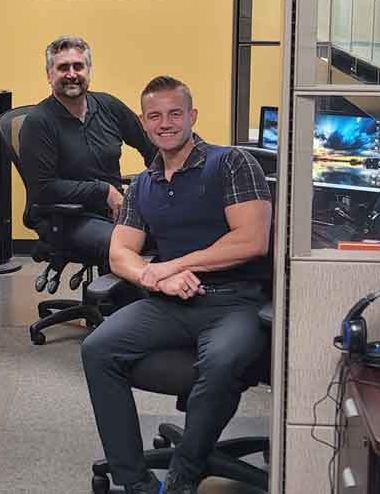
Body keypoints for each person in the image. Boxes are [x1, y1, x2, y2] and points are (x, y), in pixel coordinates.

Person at [81, 76, 273, 494]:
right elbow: (120, 253)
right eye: (155, 116)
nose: (165, 123)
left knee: (220, 363)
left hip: (234, 302)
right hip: (170, 303)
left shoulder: (232, 163)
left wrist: (172, 266)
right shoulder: (143, 183)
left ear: (192, 116)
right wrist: (152, 277)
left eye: (174, 113)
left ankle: (185, 474)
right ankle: (135, 481)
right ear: (143, 122)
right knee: (97, 348)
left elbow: (252, 240)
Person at [19, 35, 156, 264]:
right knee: (125, 246)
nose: (72, 74)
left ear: (88, 71)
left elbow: (151, 145)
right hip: (66, 218)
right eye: (63, 68)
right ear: (49, 75)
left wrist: (162, 183)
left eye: (78, 66)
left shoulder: (108, 106)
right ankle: (135, 288)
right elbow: (43, 188)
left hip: (114, 211)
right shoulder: (38, 122)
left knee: (175, 230)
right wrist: (103, 191)